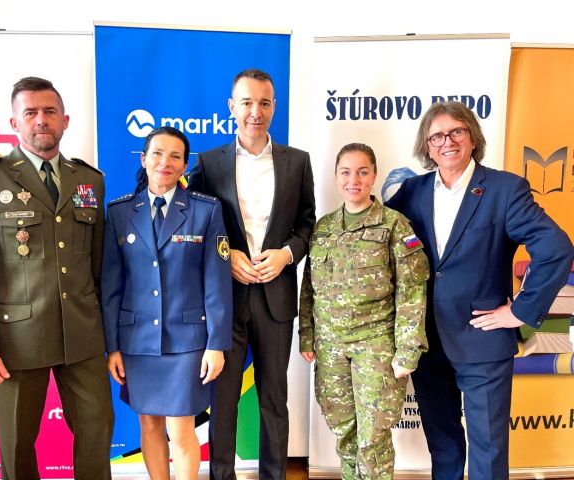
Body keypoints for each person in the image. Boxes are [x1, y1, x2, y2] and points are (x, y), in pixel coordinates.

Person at [385, 101, 574, 480]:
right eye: (437, 136)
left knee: (488, 449)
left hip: (483, 339)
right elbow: (378, 240)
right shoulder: (411, 192)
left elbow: (556, 249)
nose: (447, 142)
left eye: (457, 131)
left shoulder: (505, 190)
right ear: (427, 146)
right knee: (443, 447)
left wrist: (520, 311)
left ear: (472, 138)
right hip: (426, 340)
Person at [0, 76, 114, 479]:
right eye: (31, 113)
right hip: (17, 339)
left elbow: (99, 264)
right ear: (14, 122)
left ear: (65, 120)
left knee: (97, 432)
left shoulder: (89, 180)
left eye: (50, 111)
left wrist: (110, 336)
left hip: (82, 335)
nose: (42, 120)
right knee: (17, 443)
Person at [187, 68, 315, 480]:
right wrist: (227, 257)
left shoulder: (297, 162)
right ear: (231, 107)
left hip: (276, 299)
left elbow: (307, 224)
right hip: (224, 299)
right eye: (246, 103)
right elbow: (195, 226)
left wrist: (287, 255)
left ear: (274, 106)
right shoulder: (208, 163)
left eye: (263, 103)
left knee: (273, 400)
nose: (255, 112)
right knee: (223, 400)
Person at [102, 126, 233, 480]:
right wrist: (112, 346)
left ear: (185, 165)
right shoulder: (120, 212)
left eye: (175, 156)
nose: (165, 162)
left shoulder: (205, 211)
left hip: (187, 341)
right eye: (157, 154)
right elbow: (111, 286)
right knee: (149, 426)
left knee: (180, 428)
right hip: (137, 342)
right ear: (144, 159)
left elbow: (217, 282)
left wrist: (217, 344)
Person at [299, 143, 429, 479]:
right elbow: (309, 287)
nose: (353, 180)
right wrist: (307, 337)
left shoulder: (394, 226)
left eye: (362, 172)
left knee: (373, 439)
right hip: (330, 349)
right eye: (345, 172)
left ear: (373, 176)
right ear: (335, 177)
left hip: (376, 346)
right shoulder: (324, 228)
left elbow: (412, 291)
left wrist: (408, 350)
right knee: (345, 433)